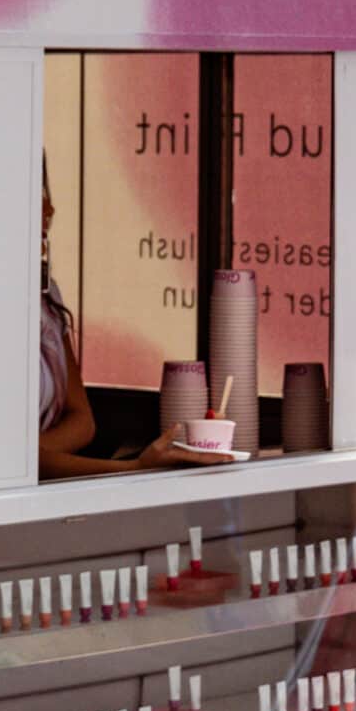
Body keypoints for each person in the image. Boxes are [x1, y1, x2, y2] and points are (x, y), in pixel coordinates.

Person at [39, 158, 206, 481]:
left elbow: (83, 421)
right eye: (34, 194)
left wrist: (35, 454)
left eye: (45, 191)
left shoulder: (47, 296)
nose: (50, 208)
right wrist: (133, 469)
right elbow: (5, 459)